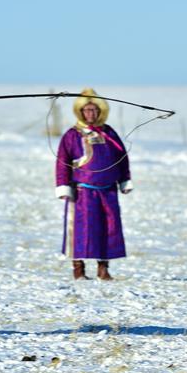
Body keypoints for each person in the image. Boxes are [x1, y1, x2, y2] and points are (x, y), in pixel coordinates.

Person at [55, 88, 132, 280]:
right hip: (82, 192)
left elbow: (122, 158)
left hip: (108, 191)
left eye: (95, 110)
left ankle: (103, 269)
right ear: (81, 112)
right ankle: (78, 269)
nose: (92, 113)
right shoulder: (72, 135)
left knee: (108, 229)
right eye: (88, 110)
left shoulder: (109, 133)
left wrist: (124, 180)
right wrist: (63, 186)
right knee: (82, 230)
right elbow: (63, 161)